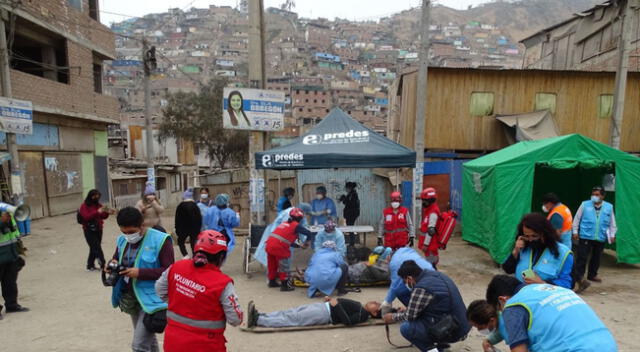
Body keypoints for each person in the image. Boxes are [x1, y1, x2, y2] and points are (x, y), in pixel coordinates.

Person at [155, 230, 243, 352]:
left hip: (173, 342)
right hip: (207, 345)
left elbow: (159, 290)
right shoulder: (222, 283)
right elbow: (236, 319)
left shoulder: (176, 267)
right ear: (221, 257)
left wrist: (182, 300)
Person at [485, 274, 617, 352]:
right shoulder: (558, 290)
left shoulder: (513, 305)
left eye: (500, 310)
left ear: (502, 299)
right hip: (608, 346)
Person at [106, 207, 174, 352]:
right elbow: (116, 258)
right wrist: (111, 265)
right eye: (123, 232)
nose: (127, 236)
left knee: (139, 346)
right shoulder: (122, 240)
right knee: (149, 342)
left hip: (153, 300)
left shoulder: (161, 240)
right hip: (132, 298)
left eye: (131, 232)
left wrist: (140, 273)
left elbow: (169, 271)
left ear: (142, 225)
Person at [383, 260, 470, 352]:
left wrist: (392, 317)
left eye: (405, 281)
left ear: (409, 278)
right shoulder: (437, 275)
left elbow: (409, 316)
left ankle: (436, 350)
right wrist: (408, 308)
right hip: (463, 323)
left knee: (406, 328)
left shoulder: (422, 288)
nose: (405, 284)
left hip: (454, 330)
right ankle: (442, 346)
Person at [501, 213, 573, 289]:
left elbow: (567, 284)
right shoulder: (523, 246)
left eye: (534, 236)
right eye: (527, 236)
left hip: (544, 298)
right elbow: (507, 269)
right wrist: (515, 251)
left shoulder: (564, 253)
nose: (530, 240)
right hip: (521, 295)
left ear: (545, 233)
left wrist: (542, 283)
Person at [572, 186, 616, 293]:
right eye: (593, 194)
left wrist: (612, 234)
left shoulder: (608, 207)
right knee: (582, 257)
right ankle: (580, 278)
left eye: (597, 194)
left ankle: (592, 275)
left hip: (600, 236)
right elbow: (577, 218)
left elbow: (612, 222)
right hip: (585, 235)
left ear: (602, 196)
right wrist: (575, 231)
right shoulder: (585, 204)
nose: (594, 197)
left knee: (596, 257)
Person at [246, 297, 381, 328]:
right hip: (323, 307)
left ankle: (258, 321)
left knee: (294, 318)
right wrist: (331, 300)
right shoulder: (361, 307)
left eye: (376, 305)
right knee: (291, 312)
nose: (375, 302)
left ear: (374, 314)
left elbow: (348, 322)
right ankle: (261, 316)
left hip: (324, 314)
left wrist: (337, 305)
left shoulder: (363, 314)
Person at [265, 207, 313, 291]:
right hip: (278, 246)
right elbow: (308, 233)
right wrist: (307, 243)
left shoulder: (285, 224)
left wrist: (300, 245)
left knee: (272, 265)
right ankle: (285, 285)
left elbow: (289, 240)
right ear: (300, 218)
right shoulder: (296, 225)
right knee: (284, 266)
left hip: (269, 244)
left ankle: (272, 282)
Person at [253, 202, 312, 267]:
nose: (306, 216)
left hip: (282, 238)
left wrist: (302, 243)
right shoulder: (289, 214)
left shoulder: (298, 214)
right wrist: (301, 243)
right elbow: (289, 232)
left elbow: (301, 228)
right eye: (306, 214)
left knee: (280, 258)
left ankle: (278, 272)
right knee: (279, 257)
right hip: (277, 237)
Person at [382, 247, 434, 312]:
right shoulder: (404, 250)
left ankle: (415, 311)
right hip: (431, 272)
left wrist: (387, 301)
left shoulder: (394, 262)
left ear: (388, 257)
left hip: (422, 279)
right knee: (406, 286)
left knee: (400, 292)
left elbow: (395, 285)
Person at [0, 211, 28, 318]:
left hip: (11, 253)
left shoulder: (5, 211)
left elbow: (14, 231)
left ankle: (12, 305)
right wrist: (1, 222)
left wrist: (18, 249)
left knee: (10, 281)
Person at [78, 189, 115, 271]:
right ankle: (103, 265)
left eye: (98, 196)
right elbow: (86, 217)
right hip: (88, 229)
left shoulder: (98, 205)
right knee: (97, 248)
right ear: (90, 196)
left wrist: (107, 212)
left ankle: (90, 265)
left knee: (93, 247)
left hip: (98, 228)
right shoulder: (84, 206)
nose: (96, 198)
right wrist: (97, 212)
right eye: (94, 196)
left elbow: (103, 216)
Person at [174, 189, 202, 258]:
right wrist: (198, 229)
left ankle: (185, 255)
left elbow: (177, 219)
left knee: (180, 241)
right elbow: (199, 218)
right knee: (193, 242)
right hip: (194, 229)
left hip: (183, 229)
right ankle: (195, 255)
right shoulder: (195, 206)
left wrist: (177, 229)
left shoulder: (180, 206)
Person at [419, 187, 441, 266]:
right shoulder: (429, 211)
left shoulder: (433, 213)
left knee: (431, 265)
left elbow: (431, 231)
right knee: (430, 264)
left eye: (424, 201)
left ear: (430, 201)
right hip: (429, 245)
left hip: (431, 245)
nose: (423, 203)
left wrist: (426, 244)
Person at [339, 181, 360, 246]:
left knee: (350, 227)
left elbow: (351, 204)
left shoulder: (353, 194)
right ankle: (352, 242)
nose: (346, 189)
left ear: (349, 188)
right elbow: (347, 203)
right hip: (350, 214)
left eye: (346, 188)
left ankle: (352, 243)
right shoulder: (350, 194)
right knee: (350, 227)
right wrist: (344, 199)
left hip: (352, 214)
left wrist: (344, 199)